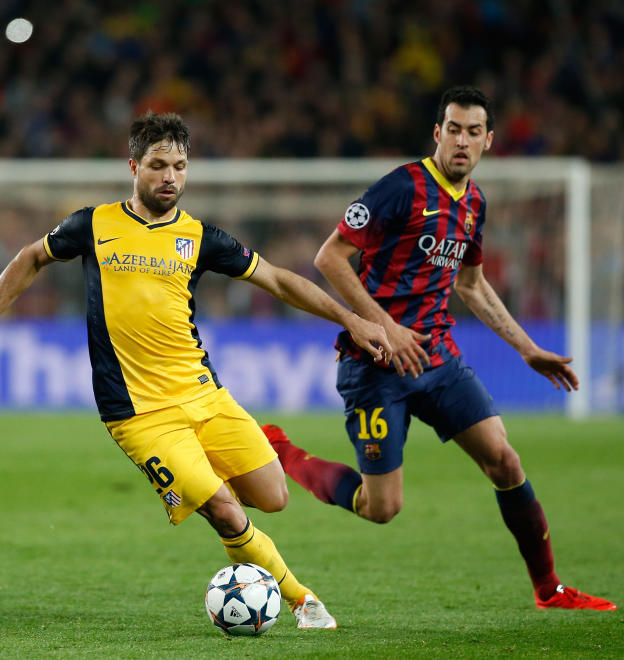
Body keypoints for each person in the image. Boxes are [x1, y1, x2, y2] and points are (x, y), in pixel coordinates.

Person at [0, 111, 394, 630]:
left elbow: (279, 282)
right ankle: (304, 601)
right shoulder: (93, 225)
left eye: (180, 166)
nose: (170, 177)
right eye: (158, 165)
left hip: (205, 396)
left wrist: (353, 318)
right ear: (133, 166)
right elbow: (31, 257)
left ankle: (227, 485)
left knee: (273, 498)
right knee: (227, 512)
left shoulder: (201, 238)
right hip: (140, 416)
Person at [263, 86, 616, 611]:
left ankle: (549, 588)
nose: (462, 141)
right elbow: (330, 258)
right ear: (437, 133)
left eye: (474, 132)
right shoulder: (400, 188)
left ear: (489, 141)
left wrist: (527, 348)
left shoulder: (474, 203)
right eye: (453, 129)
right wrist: (384, 326)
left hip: (437, 358)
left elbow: (471, 286)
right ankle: (283, 452)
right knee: (381, 507)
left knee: (505, 460)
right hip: (376, 365)